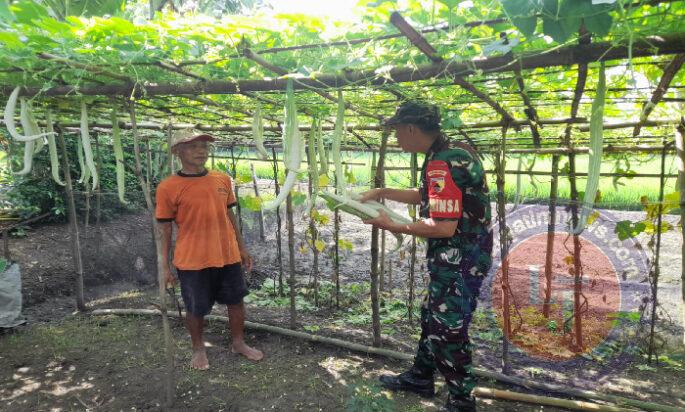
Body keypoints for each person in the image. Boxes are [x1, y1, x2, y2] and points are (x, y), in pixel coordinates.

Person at [360, 101, 492, 412]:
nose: (395, 139)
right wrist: (382, 192)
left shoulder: (441, 162)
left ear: (410, 128)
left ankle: (462, 400)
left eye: (396, 131)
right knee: (431, 316)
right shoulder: (448, 152)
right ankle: (421, 376)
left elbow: (443, 227)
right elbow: (429, 196)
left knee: (447, 328)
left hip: (460, 259)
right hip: (466, 254)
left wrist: (393, 225)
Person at [155, 129, 263, 370]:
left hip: (227, 255)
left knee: (236, 301)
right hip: (193, 259)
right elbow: (164, 229)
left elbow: (229, 214)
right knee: (196, 307)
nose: (200, 150)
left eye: (204, 146)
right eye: (192, 146)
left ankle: (238, 342)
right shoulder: (168, 187)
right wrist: (164, 266)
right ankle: (198, 348)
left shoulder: (222, 179)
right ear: (177, 152)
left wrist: (242, 247)